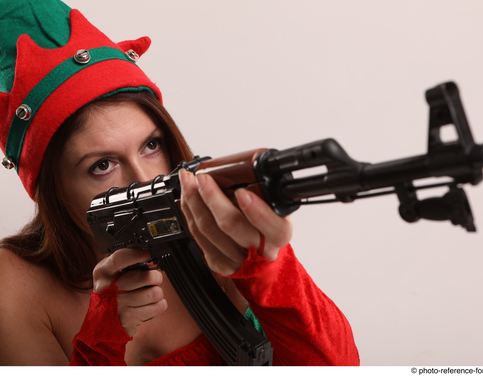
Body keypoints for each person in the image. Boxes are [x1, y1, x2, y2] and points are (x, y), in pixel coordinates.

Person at [0, 0, 359, 366]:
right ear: (51, 190)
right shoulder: (15, 284)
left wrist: (270, 269)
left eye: (151, 145)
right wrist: (102, 340)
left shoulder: (214, 234)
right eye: (102, 165)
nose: (144, 178)